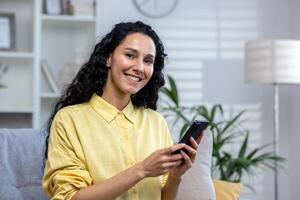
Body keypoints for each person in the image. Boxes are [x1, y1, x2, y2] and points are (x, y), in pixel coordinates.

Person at [42, 21, 202, 200]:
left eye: (148, 61)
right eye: (130, 55)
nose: (139, 68)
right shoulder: (69, 119)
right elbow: (70, 197)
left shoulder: (156, 122)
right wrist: (142, 170)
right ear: (108, 58)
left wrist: (175, 176)